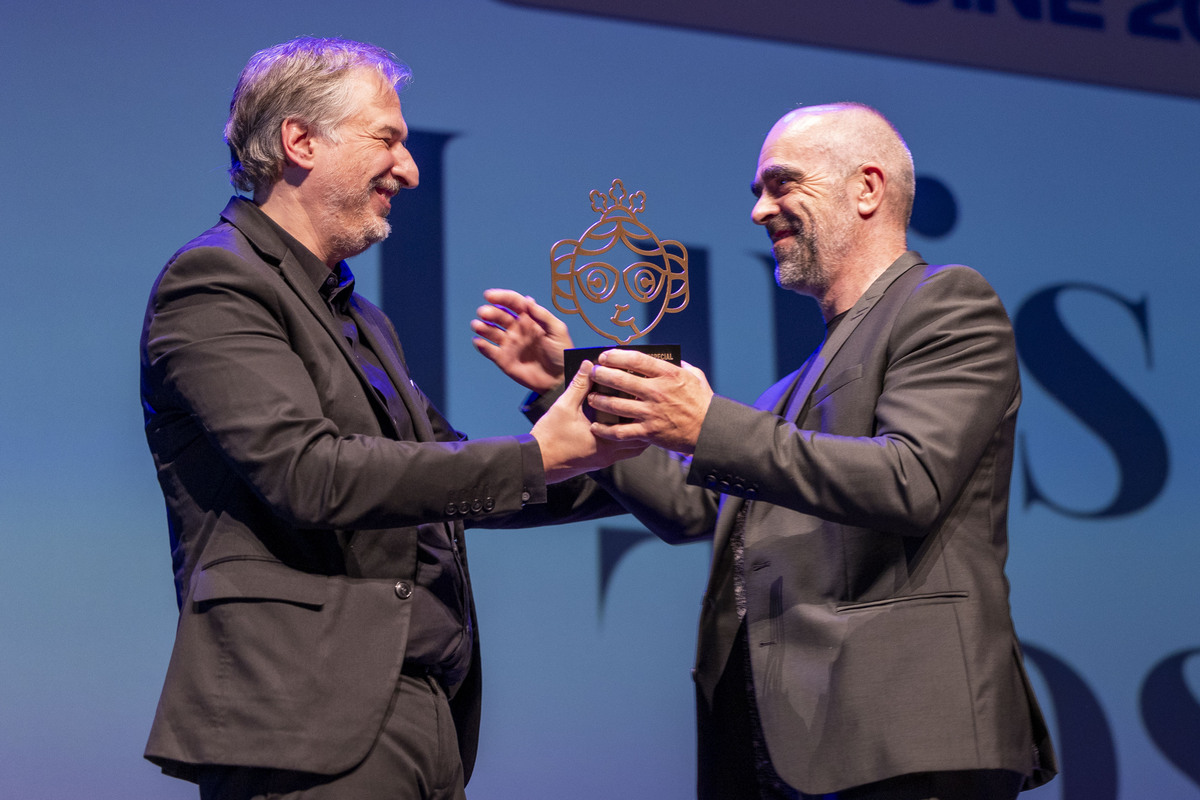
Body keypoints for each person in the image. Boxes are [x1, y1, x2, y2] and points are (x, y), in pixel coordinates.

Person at [472, 103, 1058, 799]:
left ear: (867, 188)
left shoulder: (946, 302)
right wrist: (570, 382)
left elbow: (912, 478)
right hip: (797, 744)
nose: (759, 210)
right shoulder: (792, 387)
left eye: (781, 184)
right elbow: (695, 507)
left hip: (903, 739)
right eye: (757, 191)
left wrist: (707, 423)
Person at [140, 36, 640, 800]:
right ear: (299, 141)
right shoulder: (215, 281)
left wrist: (619, 445)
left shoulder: (361, 316)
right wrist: (538, 455)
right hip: (306, 719)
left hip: (420, 716)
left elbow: (447, 473)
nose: (408, 169)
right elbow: (307, 473)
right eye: (388, 138)